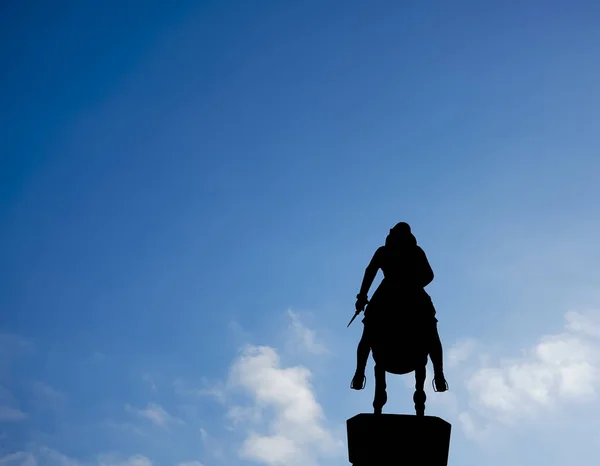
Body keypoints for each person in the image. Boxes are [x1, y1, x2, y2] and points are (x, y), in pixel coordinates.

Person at [350, 222, 448, 392]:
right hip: (396, 293)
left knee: (430, 329)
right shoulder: (385, 251)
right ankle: (359, 372)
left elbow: (428, 275)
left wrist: (411, 284)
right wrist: (362, 296)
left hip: (404, 292)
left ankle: (439, 374)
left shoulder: (414, 252)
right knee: (369, 331)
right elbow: (370, 271)